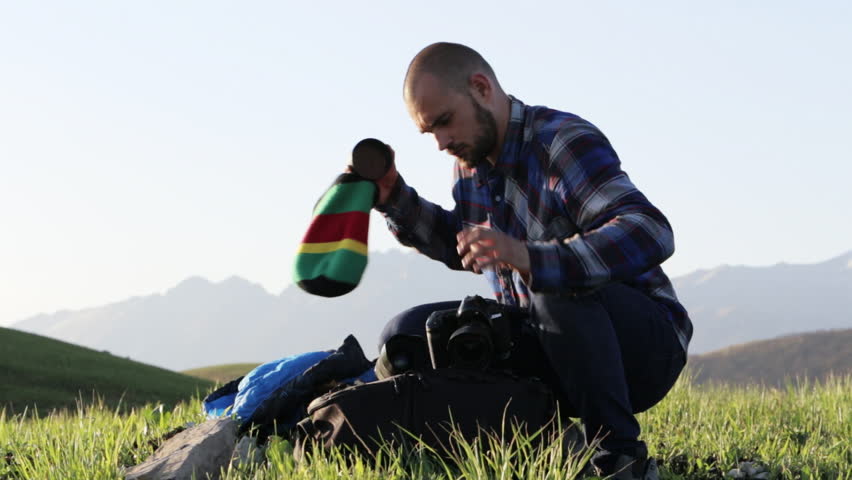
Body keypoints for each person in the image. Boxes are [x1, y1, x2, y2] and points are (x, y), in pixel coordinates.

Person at [371, 42, 693, 480]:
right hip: (546, 341)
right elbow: (461, 245)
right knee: (407, 331)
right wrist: (395, 200)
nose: (442, 143)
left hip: (641, 348)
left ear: (481, 88)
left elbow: (649, 230)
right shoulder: (468, 166)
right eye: (430, 133)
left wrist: (531, 257)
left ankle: (620, 459)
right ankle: (527, 446)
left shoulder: (560, 141)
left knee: (553, 287)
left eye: (445, 122)